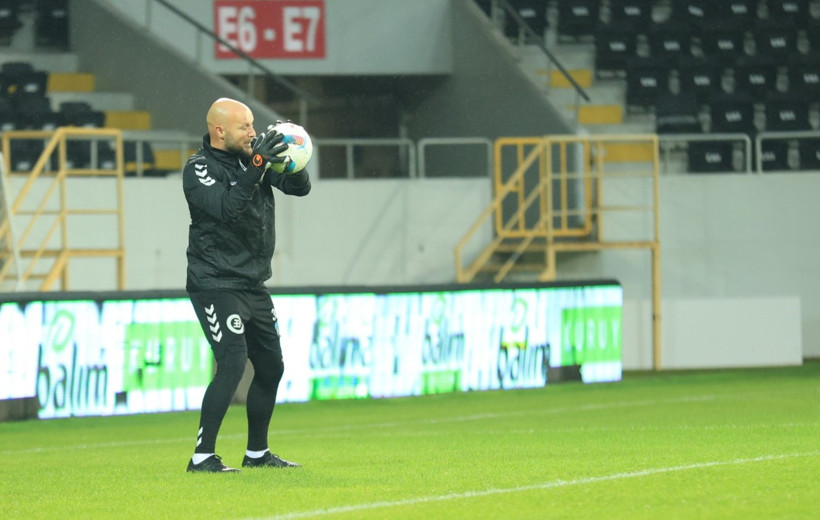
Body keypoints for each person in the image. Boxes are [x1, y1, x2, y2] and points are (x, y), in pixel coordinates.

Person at [182, 97, 311, 473]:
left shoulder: (253, 159)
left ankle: (257, 453)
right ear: (219, 131)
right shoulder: (198, 168)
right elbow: (227, 208)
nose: (253, 133)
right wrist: (256, 165)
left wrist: (294, 159)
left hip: (253, 284)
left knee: (271, 367)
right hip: (214, 283)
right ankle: (202, 456)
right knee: (232, 362)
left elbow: (299, 188)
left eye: (253, 125)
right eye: (245, 127)